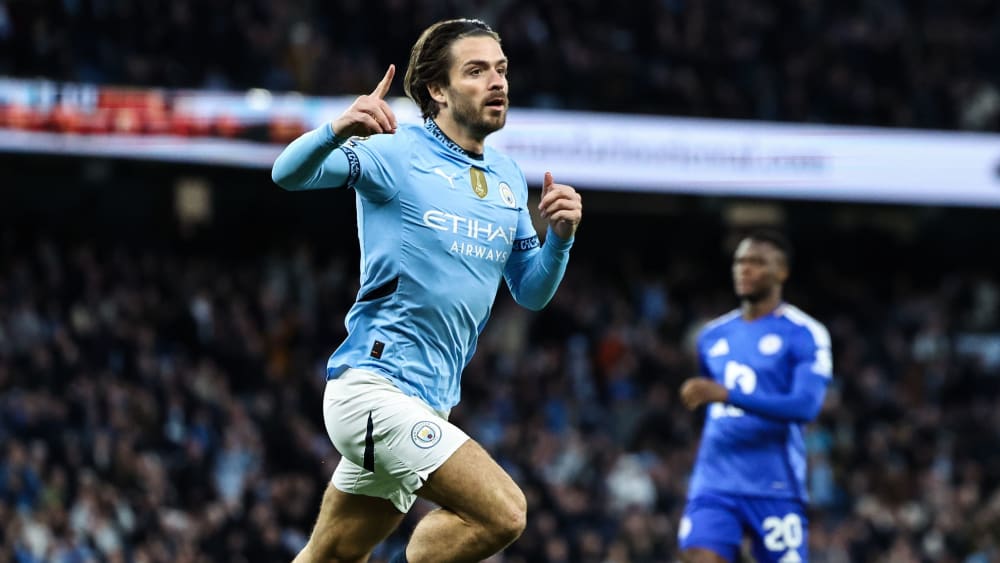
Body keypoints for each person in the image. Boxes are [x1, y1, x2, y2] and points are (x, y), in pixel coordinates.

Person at [270, 18, 583, 563]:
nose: (497, 82)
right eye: (477, 71)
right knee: (504, 512)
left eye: (502, 70)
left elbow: (530, 291)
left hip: (429, 406)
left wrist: (560, 239)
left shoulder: (508, 177)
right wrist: (338, 129)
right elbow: (287, 174)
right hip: (373, 390)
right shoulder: (396, 152)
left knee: (331, 555)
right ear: (437, 89)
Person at [678, 231, 833, 563]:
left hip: (774, 485)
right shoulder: (712, 335)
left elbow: (806, 406)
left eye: (758, 262)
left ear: (782, 272)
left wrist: (728, 394)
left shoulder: (805, 333)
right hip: (714, 481)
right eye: (740, 261)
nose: (744, 269)